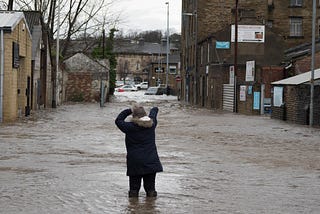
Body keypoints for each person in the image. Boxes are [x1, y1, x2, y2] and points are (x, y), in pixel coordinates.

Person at [115, 103, 163, 198]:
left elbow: (118, 120)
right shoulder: (152, 124)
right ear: (145, 115)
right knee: (151, 190)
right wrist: (154, 108)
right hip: (151, 162)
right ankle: (151, 208)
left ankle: (133, 209)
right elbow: (153, 113)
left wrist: (129, 110)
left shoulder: (129, 127)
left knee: (133, 190)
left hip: (135, 162)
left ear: (134, 116)